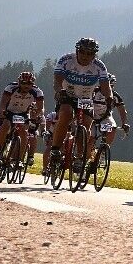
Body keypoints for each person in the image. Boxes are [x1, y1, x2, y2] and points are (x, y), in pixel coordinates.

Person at [50, 38, 113, 174]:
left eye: (89, 54)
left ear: (94, 55)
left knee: (86, 125)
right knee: (66, 114)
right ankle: (55, 149)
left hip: (86, 98)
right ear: (77, 51)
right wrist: (59, 91)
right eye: (83, 52)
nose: (85, 56)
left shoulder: (99, 66)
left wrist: (109, 98)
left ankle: (79, 157)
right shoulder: (66, 60)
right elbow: (57, 80)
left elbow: (105, 86)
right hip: (67, 95)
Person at [0, 71, 46, 167]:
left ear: (33, 84)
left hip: (23, 113)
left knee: (24, 133)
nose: (26, 86)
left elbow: (40, 108)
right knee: (6, 125)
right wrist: (1, 114)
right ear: (19, 82)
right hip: (9, 111)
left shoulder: (37, 92)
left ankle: (19, 159)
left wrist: (36, 116)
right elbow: (3, 103)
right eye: (24, 83)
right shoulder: (11, 88)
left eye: (29, 84)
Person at [91, 72, 130, 148]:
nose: (109, 88)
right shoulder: (94, 92)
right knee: (91, 140)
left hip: (104, 119)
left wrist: (124, 123)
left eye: (111, 86)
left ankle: (104, 150)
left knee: (111, 130)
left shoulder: (115, 96)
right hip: (91, 118)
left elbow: (122, 110)